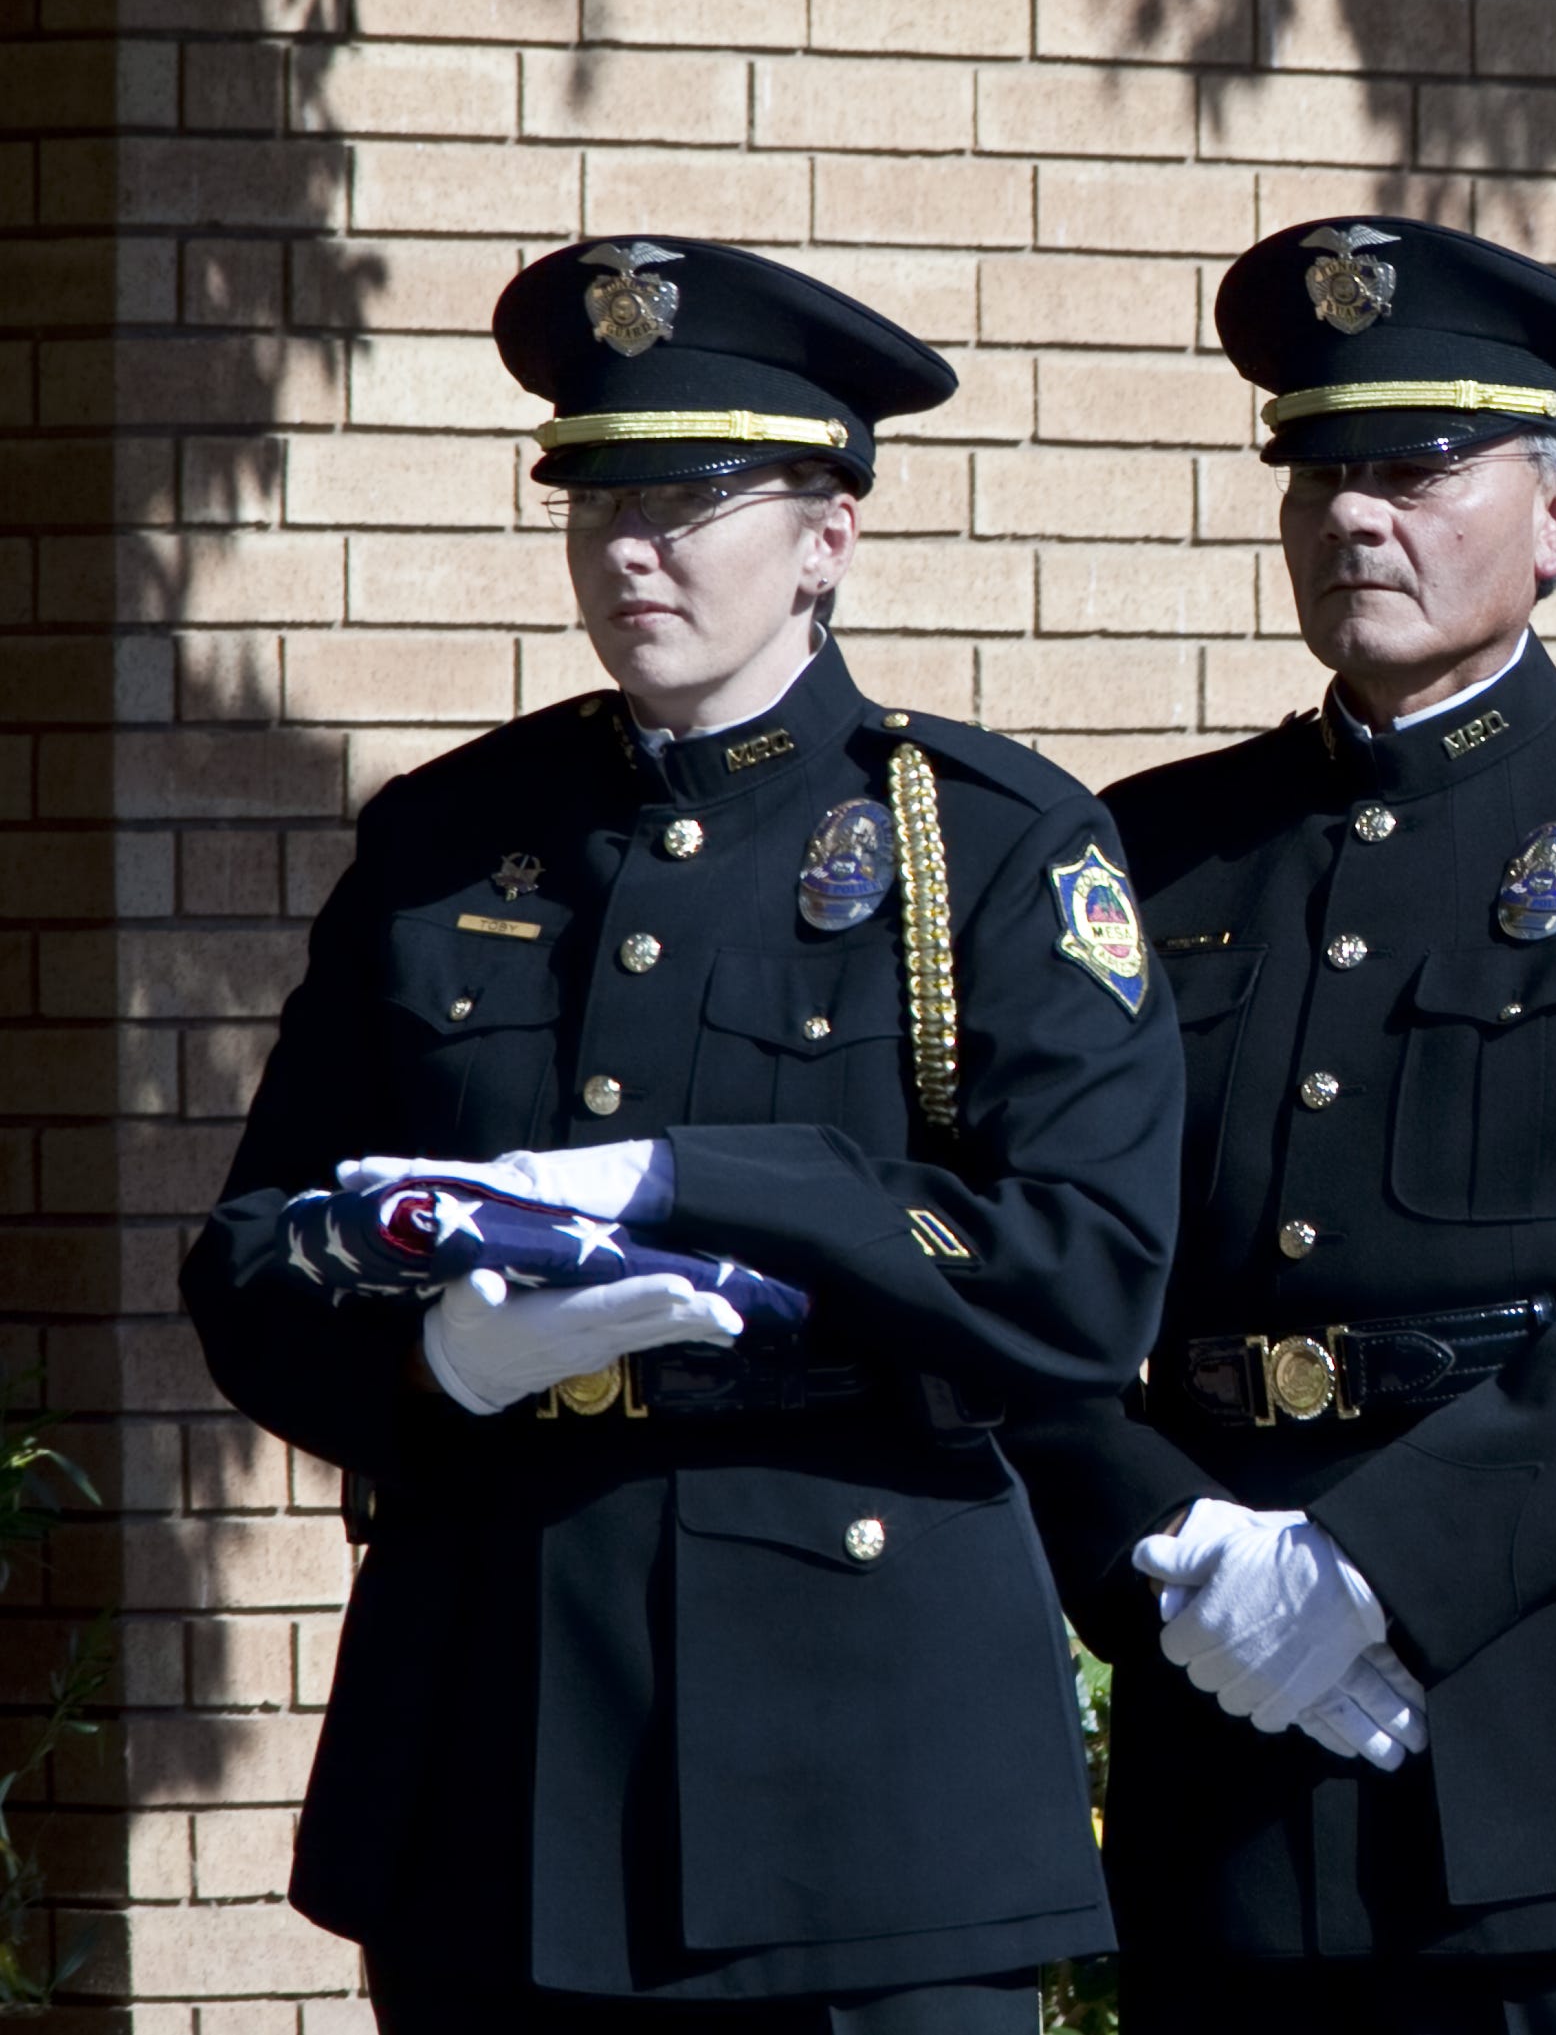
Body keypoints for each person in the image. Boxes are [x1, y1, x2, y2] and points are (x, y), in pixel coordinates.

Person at [181, 237, 1183, 2031]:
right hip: (497, 1727)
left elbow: (1082, 1275)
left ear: (828, 535)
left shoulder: (996, 847)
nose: (633, 542)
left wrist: (698, 1186)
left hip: (857, 1756)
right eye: (599, 495)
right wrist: (436, 1371)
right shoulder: (447, 837)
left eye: (694, 495)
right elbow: (253, 1248)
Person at [996, 217, 1556, 2035]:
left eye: (1412, 468)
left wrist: (1376, 1567)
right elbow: (1039, 1263)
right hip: (1224, 1692)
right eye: (1317, 469)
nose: (1350, 516)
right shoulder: (1155, 851)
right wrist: (1165, 1543)